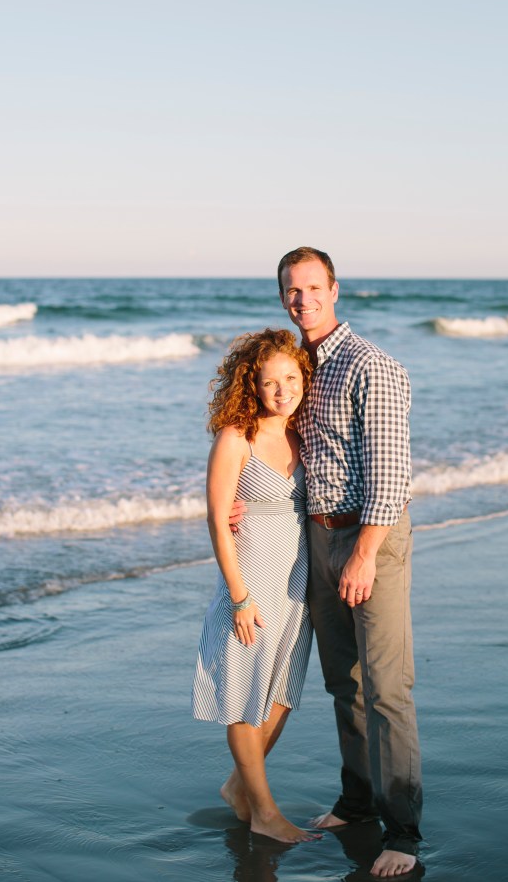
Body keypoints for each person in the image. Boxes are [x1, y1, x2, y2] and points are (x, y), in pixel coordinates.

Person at [233, 248, 423, 878]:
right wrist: (238, 498)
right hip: (316, 535)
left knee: (387, 688)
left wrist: (364, 554)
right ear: (282, 296)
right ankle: (357, 802)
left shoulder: (372, 365)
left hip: (371, 538)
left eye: (314, 287)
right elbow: (269, 441)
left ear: (335, 290)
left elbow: (391, 476)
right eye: (293, 289)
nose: (303, 299)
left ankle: (403, 833)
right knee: (343, 681)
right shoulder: (299, 366)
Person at [192, 328, 319, 844]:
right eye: (270, 382)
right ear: (252, 384)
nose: (282, 390)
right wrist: (239, 597)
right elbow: (217, 519)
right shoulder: (235, 437)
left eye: (291, 378)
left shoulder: (303, 433)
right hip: (253, 585)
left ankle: (238, 787)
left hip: (297, 584)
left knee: (282, 694)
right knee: (247, 696)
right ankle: (265, 813)